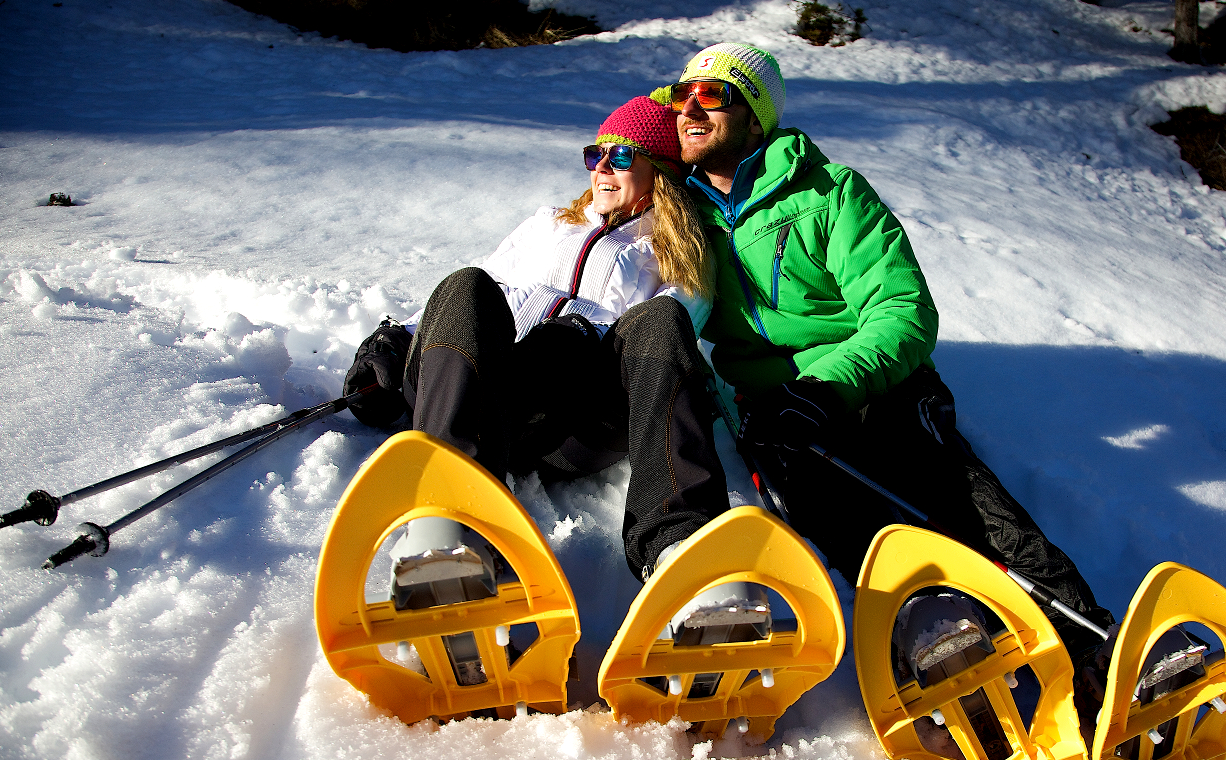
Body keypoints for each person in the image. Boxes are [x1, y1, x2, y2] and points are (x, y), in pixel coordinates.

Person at [656, 43, 1117, 714]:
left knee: (968, 509)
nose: (691, 107)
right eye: (680, 93)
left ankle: (1095, 658)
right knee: (856, 531)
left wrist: (826, 388)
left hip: (874, 388)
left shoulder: (829, 193)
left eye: (714, 95)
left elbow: (902, 310)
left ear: (755, 117)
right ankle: (958, 665)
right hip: (776, 416)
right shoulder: (676, 214)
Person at [343, 96, 731, 595]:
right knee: (466, 282)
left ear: (660, 171)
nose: (603, 168)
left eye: (622, 155)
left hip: (571, 420)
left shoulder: (676, 254)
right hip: (482, 393)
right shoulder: (550, 223)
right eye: (597, 154)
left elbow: (676, 335)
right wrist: (396, 342)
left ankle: (682, 548)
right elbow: (479, 291)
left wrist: (583, 334)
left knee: (661, 317)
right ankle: (450, 525)